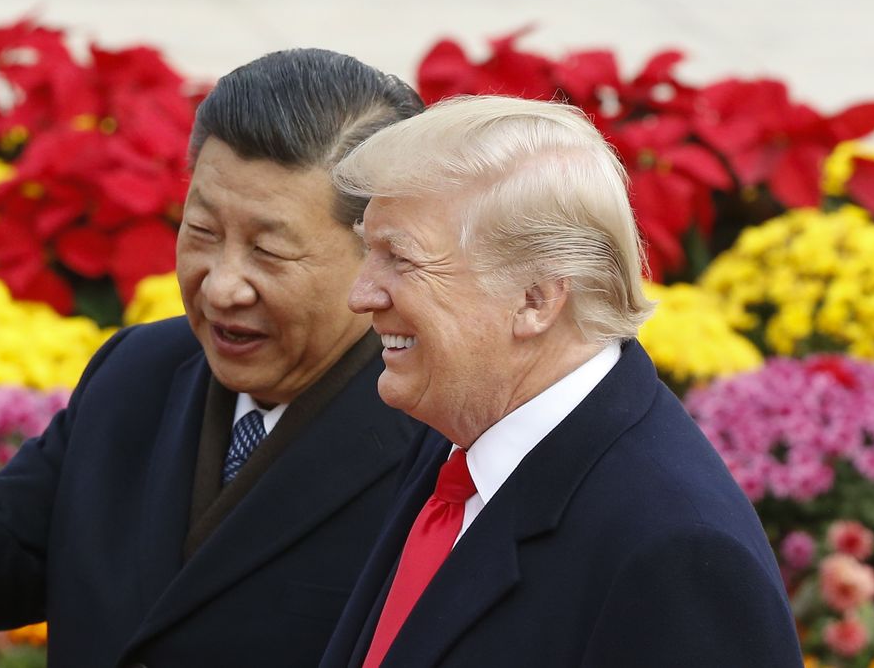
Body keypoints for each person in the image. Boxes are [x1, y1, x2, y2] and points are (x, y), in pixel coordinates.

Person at [0, 48, 427, 667]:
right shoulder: (143, 368)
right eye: (201, 232)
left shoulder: (437, 432)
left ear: (380, 251)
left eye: (270, 252)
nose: (221, 284)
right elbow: (12, 543)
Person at [319, 95, 802, 667]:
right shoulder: (460, 430)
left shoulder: (677, 552)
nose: (361, 295)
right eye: (367, 251)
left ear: (536, 299)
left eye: (401, 259)